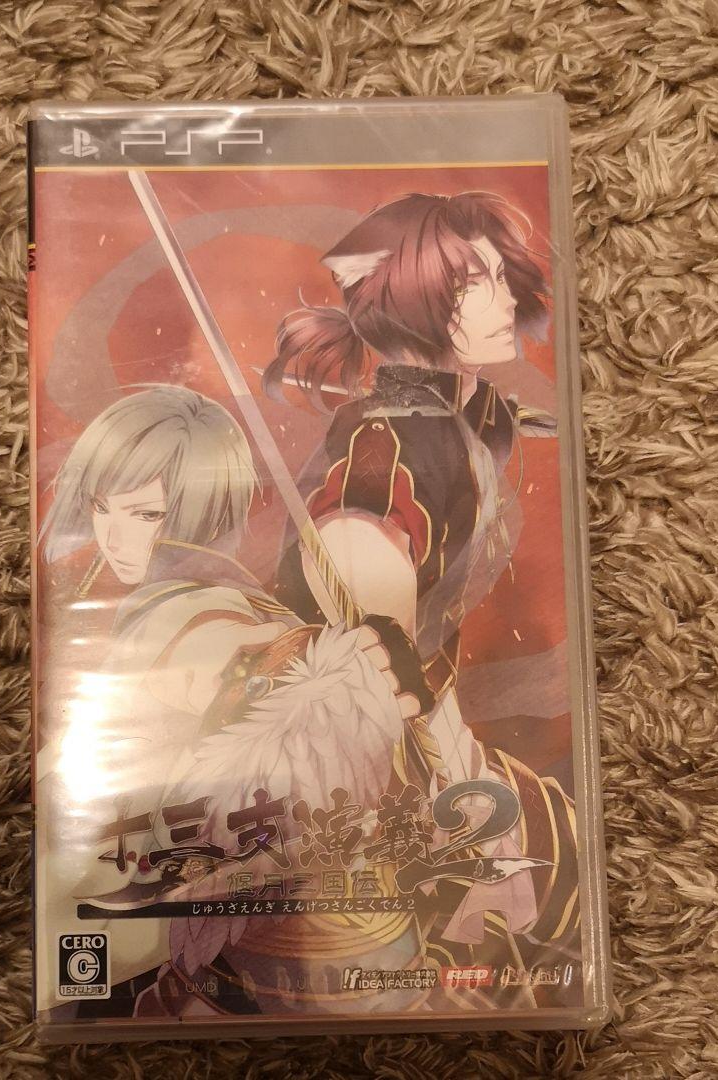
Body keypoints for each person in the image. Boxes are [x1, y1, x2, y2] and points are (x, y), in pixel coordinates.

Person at [36, 385, 432, 1018]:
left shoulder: (188, 613)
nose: (113, 536)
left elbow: (227, 651)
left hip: (208, 948)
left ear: (207, 511)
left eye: (144, 514)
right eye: (102, 509)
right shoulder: (198, 603)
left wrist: (314, 668)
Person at [264, 192, 578, 966]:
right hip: (363, 739)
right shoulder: (387, 440)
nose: (504, 300)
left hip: (430, 718)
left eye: (501, 277)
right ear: (412, 299)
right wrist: (387, 658)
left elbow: (480, 426)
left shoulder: (465, 412)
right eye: (473, 283)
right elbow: (352, 538)